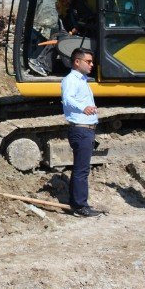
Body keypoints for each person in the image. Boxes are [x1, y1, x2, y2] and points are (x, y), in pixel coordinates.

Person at [60, 47, 105, 217]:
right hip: (81, 129)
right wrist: (83, 107)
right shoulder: (71, 79)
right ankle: (80, 206)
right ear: (77, 62)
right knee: (81, 169)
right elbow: (67, 98)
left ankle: (77, 203)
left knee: (81, 168)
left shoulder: (82, 80)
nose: (91, 65)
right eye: (88, 61)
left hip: (86, 129)